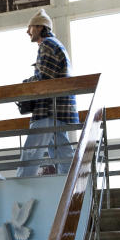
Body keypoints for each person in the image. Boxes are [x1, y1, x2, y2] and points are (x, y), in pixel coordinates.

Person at [16, 9, 78, 177]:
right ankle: (70, 183)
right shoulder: (56, 45)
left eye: (30, 27)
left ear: (40, 27)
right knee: (61, 150)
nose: (27, 31)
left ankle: (20, 185)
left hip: (49, 109)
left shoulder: (47, 45)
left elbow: (44, 78)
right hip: (61, 108)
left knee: (32, 149)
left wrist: (23, 87)